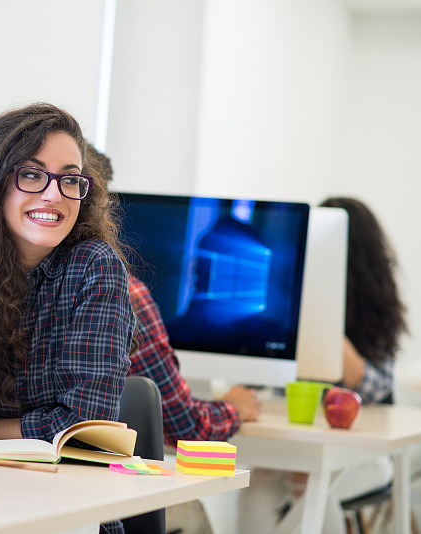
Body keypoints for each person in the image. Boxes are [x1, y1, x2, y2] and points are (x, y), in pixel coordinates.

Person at [0, 103, 136, 534]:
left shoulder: (93, 266)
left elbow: (84, 428)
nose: (54, 195)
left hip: (64, 513)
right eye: (32, 174)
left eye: (70, 179)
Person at [86, 145, 261, 534]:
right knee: (193, 513)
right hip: (94, 499)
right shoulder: (124, 294)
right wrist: (232, 409)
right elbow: (184, 425)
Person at [237, 196, 408, 534]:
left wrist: (323, 319)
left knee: (316, 487)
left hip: (359, 454)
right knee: (254, 489)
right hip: (294, 444)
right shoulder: (284, 297)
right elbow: (269, 382)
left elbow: (377, 387)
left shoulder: (376, 313)